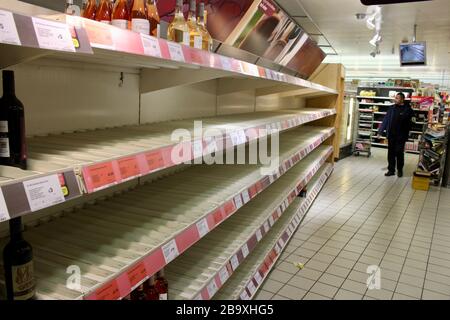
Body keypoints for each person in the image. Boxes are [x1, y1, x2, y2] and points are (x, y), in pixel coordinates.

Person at [377, 92, 413, 177]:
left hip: (401, 136)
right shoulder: (391, 108)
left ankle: (400, 170)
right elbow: (386, 120)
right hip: (391, 135)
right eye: (395, 98)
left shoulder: (408, 110)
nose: (395, 99)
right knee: (391, 153)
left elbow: (411, 123)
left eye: (397, 98)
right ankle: (391, 170)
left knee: (399, 152)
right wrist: (380, 131)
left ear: (402, 99)